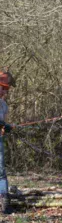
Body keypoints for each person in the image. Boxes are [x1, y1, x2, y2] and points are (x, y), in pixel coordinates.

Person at [0, 69, 15, 214]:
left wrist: (6, 128)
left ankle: (4, 202)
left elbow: (3, 124)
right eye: (3, 88)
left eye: (6, 89)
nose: (5, 91)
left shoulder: (4, 105)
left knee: (1, 172)